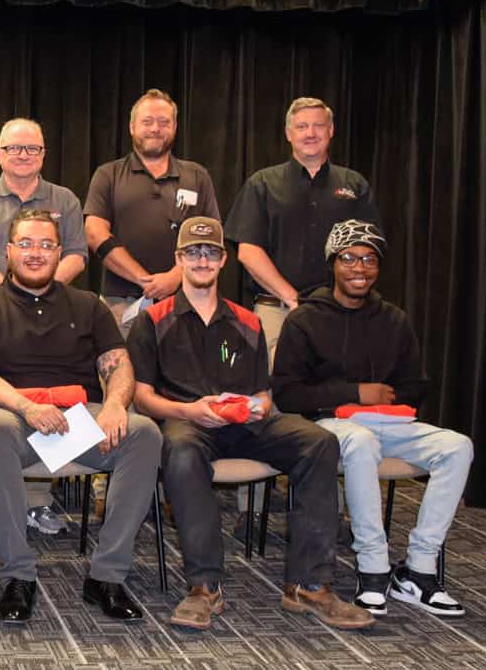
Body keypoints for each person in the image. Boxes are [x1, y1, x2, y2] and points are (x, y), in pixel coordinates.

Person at [128, 217, 372, 630]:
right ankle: (205, 587)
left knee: (319, 443)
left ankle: (309, 586)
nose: (202, 260)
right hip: (188, 422)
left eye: (211, 253)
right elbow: (141, 395)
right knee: (182, 452)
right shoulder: (152, 321)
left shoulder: (248, 321)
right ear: (179, 259)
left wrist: (258, 405)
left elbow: (264, 393)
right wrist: (189, 411)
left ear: (224, 260)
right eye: (193, 252)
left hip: (246, 425)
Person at [0, 209, 161, 624]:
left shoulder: (88, 306)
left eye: (46, 245)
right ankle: (19, 575)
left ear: (60, 252)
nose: (36, 253)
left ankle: (106, 576)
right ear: (9, 251)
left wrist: (117, 404)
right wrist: (27, 406)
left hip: (79, 419)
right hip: (12, 414)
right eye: (26, 244)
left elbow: (117, 365)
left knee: (144, 433)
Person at [272, 220, 472, 617]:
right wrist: (354, 393)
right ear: (333, 263)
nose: (358, 268)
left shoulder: (394, 319)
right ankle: (373, 567)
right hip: (328, 425)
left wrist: (386, 397)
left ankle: (418, 569)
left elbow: (417, 384)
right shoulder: (304, 319)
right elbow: (288, 394)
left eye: (368, 259)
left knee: (457, 446)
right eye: (348, 258)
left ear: (378, 267)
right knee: (362, 441)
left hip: (388, 421)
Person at [0, 116, 88, 534]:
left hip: (53, 316)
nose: (23, 155)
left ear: (44, 154)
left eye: (32, 148)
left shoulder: (64, 198)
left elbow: (76, 255)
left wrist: (41, 291)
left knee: (47, 395)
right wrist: (12, 296)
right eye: (14, 148)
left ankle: (36, 500)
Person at [224, 97, 379, 361]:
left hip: (340, 311)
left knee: (338, 391)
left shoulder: (355, 185)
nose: (310, 133)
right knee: (274, 392)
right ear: (288, 133)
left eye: (318, 126)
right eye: (302, 126)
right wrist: (294, 300)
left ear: (331, 131)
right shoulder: (261, 184)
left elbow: (369, 252)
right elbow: (248, 252)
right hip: (278, 310)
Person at [84, 89, 219, 334]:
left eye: (163, 122)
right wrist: (144, 280)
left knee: (185, 372)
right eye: (147, 121)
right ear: (132, 126)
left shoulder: (197, 176)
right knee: (124, 371)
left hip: (187, 301)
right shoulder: (108, 175)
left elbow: (211, 238)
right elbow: (94, 233)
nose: (155, 128)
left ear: (175, 127)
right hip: (120, 304)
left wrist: (175, 278)